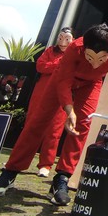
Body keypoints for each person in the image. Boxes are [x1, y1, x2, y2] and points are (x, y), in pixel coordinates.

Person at [0, 23, 108, 206]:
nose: (95, 64)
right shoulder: (74, 47)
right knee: (38, 122)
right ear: (84, 48)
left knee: (82, 126)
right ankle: (10, 171)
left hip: (91, 84)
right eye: (90, 57)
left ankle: (62, 177)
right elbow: (63, 81)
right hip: (63, 79)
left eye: (101, 60)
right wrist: (68, 109)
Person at [29, 26, 74, 178]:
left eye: (67, 38)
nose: (63, 42)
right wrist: (57, 65)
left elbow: (70, 71)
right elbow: (40, 66)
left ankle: (46, 164)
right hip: (41, 91)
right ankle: (21, 160)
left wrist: (54, 67)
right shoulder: (50, 51)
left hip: (60, 93)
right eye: (61, 38)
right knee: (31, 125)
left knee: (54, 130)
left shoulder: (73, 54)